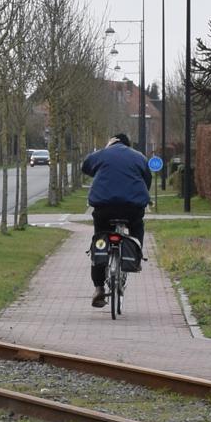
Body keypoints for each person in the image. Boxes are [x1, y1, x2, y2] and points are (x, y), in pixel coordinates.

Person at [81, 132, 153, 308]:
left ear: (111, 143)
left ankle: (98, 288)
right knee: (137, 226)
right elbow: (147, 180)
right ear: (128, 145)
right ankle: (135, 254)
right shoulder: (139, 157)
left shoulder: (102, 154)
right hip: (132, 207)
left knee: (100, 238)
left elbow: (86, 167)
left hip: (104, 206)